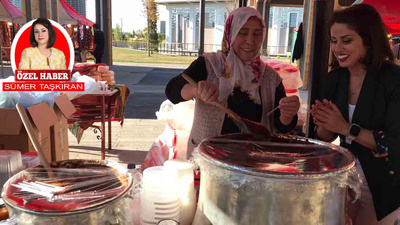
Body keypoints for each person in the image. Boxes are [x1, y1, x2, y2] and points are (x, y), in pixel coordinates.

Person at [166, 7, 300, 158]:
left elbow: (282, 126)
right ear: (231, 32)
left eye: (257, 33)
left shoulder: (270, 78)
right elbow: (172, 90)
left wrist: (287, 114)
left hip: (254, 162)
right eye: (242, 32)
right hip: (209, 160)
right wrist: (195, 90)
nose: (250, 40)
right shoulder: (209, 65)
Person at [310, 4, 400, 224]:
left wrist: (344, 128)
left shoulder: (393, 79)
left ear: (369, 42)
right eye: (333, 41)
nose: (337, 47)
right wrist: (324, 123)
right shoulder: (335, 79)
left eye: (346, 40)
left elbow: (393, 142)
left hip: (385, 182)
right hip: (344, 175)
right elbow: (325, 137)